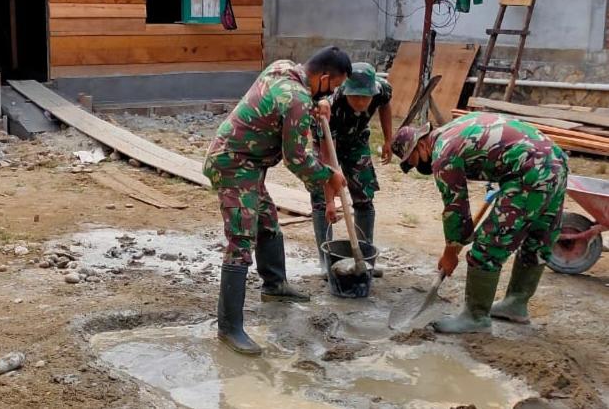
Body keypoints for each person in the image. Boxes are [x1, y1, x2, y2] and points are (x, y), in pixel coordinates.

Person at [203, 46, 352, 355]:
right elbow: (297, 159)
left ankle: (274, 286)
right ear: (323, 77)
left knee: (268, 222)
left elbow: (300, 102)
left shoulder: (284, 69)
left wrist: (318, 103)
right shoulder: (296, 98)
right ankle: (229, 328)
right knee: (241, 242)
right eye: (333, 87)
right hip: (233, 165)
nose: (333, 93)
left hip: (248, 164)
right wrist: (328, 177)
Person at [391, 111, 568, 333]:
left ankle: (475, 317)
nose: (416, 167)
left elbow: (456, 208)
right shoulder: (453, 129)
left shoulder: (443, 153)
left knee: (487, 246)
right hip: (555, 162)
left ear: (419, 146)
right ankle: (516, 304)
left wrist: (450, 252)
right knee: (538, 237)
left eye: (412, 161)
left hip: (530, 172)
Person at [310, 63, 393, 276]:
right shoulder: (330, 107)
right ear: (346, 91)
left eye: (366, 97)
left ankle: (365, 259)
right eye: (355, 97)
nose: (361, 102)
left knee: (364, 196)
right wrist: (331, 201)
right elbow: (329, 159)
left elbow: (385, 105)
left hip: (357, 140)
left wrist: (388, 140)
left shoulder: (382, 89)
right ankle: (325, 263)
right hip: (329, 141)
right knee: (321, 199)